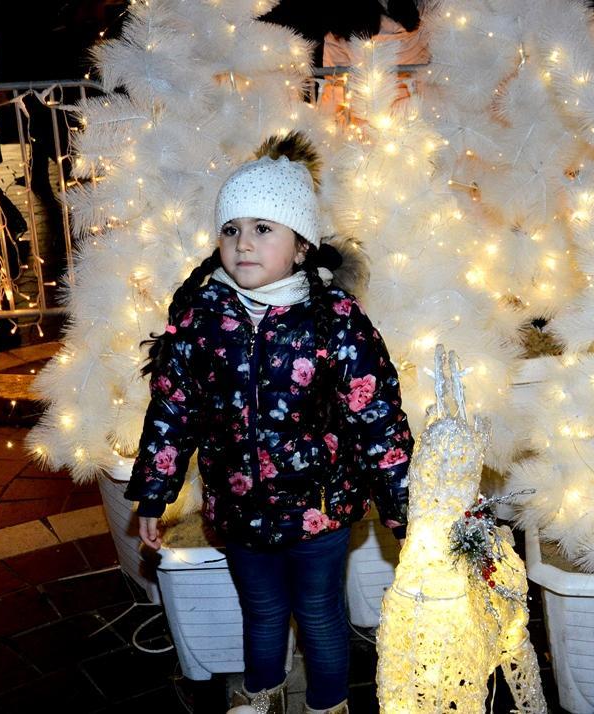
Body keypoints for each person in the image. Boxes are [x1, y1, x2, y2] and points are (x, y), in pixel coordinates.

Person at [124, 131, 414, 714]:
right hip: (237, 510)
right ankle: (261, 693)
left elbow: (376, 415)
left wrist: (401, 503)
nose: (243, 244)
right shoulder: (202, 320)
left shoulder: (336, 320)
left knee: (319, 613)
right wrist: (154, 495)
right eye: (231, 229)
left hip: (320, 512)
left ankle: (328, 704)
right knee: (259, 610)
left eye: (263, 229)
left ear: (301, 245)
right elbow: (172, 412)